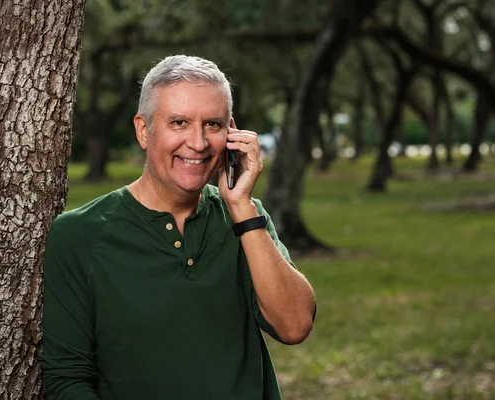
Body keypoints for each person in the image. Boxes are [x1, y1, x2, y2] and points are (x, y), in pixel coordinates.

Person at [40, 54, 317, 399]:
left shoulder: (248, 221)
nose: (198, 143)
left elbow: (294, 326)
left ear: (231, 133)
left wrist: (242, 207)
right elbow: (67, 379)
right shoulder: (79, 235)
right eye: (179, 123)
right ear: (144, 130)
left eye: (212, 125)